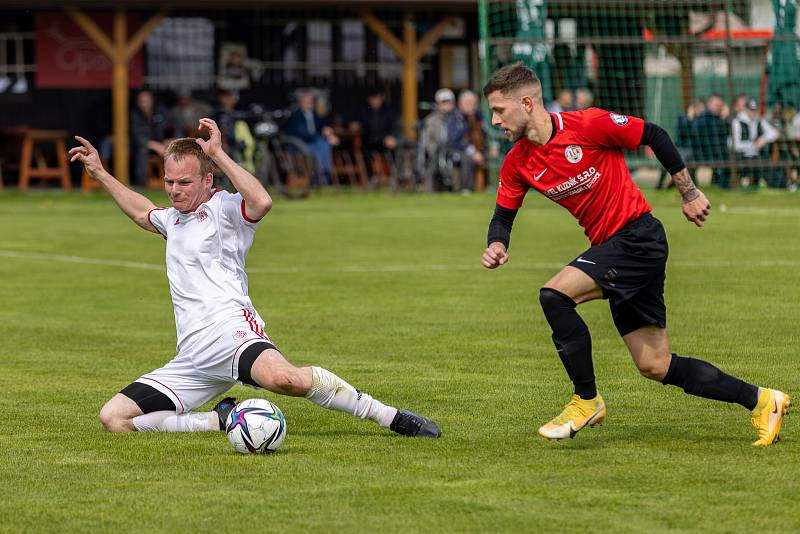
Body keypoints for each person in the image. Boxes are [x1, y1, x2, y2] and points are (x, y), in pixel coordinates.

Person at [69, 118, 440, 439]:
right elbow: (141, 211)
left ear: (207, 180)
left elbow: (262, 202)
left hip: (231, 332)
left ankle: (388, 416)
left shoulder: (224, 208)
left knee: (288, 381)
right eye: (169, 182)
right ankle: (218, 420)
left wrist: (219, 154)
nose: (175, 190)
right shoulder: (172, 219)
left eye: (184, 182)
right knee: (114, 418)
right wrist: (101, 173)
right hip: (193, 356)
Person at [480, 62, 789, 446]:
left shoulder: (588, 124)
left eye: (499, 110)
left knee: (554, 295)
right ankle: (762, 400)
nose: (493, 120)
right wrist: (497, 244)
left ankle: (586, 400)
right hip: (614, 250)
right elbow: (502, 217)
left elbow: (654, 134)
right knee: (655, 365)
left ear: (527, 103)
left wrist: (688, 192)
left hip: (638, 238)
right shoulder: (517, 162)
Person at [286, 90, 340, 186]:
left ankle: (321, 174)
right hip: (300, 145)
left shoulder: (314, 115)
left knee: (324, 144)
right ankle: (322, 174)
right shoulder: (295, 116)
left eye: (310, 102)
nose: (309, 104)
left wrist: (329, 134)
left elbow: (322, 127)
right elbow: (301, 134)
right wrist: (321, 136)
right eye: (306, 102)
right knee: (321, 144)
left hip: (314, 144)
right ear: (300, 103)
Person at [731, 98, 779, 190]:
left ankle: (774, 186)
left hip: (757, 156)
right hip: (741, 156)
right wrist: (752, 145)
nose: (752, 113)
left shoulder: (759, 121)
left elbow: (774, 133)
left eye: (754, 110)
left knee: (769, 166)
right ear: (746, 109)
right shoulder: (737, 122)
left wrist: (763, 139)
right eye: (750, 110)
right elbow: (734, 145)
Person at [445, 90, 487, 193]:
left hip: (479, 149)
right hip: (457, 149)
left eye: (473, 103)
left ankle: (497, 187)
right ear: (460, 104)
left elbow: (486, 135)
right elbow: (453, 140)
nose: (471, 106)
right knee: (467, 158)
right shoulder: (455, 118)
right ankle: (466, 189)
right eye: (468, 103)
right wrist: (472, 151)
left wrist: (493, 147)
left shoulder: (479, 117)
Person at [130, 90, 173, 186]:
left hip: (163, 144)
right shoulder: (134, 115)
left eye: (146, 100)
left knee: (177, 148)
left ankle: (176, 180)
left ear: (151, 100)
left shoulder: (161, 112)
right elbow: (136, 136)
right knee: (142, 151)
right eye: (141, 101)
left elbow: (175, 126)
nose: (144, 103)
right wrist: (154, 145)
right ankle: (140, 184)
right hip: (142, 146)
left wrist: (172, 139)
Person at [418, 88, 456, 191]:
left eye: (448, 102)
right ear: (438, 104)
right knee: (434, 159)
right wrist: (432, 150)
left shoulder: (457, 118)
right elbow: (428, 139)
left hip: (453, 148)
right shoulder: (431, 120)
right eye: (444, 102)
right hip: (436, 150)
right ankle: (429, 187)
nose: (446, 105)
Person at [693, 94, 730, 188]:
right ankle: (719, 183)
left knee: (730, 157)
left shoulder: (722, 119)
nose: (717, 108)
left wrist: (725, 119)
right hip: (704, 152)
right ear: (709, 104)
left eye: (719, 105)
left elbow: (726, 135)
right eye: (715, 105)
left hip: (719, 152)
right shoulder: (703, 118)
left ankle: (721, 184)